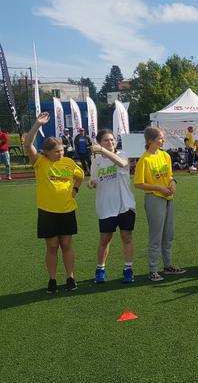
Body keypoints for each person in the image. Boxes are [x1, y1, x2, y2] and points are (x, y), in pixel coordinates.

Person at [25, 112, 84, 293]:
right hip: (47, 211)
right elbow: (27, 143)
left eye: (62, 150)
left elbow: (79, 176)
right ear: (47, 152)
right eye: (56, 151)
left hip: (67, 210)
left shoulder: (68, 162)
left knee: (66, 245)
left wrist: (75, 190)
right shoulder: (40, 161)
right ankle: (52, 280)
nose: (61, 153)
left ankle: (70, 277)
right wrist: (37, 124)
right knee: (52, 246)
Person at [133, 127, 186, 281]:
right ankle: (153, 269)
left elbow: (169, 175)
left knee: (169, 234)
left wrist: (172, 183)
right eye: (160, 138)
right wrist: (159, 188)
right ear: (150, 140)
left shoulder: (165, 155)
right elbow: (138, 183)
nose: (163, 141)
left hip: (168, 197)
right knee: (156, 235)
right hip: (154, 198)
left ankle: (168, 265)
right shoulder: (144, 159)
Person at [88, 129, 136, 284]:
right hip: (106, 206)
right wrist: (92, 183)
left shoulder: (121, 155)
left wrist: (102, 150)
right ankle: (100, 269)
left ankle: (128, 269)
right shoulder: (96, 162)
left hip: (125, 205)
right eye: (106, 141)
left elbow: (121, 163)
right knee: (105, 239)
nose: (110, 143)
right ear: (99, 142)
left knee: (126, 236)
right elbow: (94, 179)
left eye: (112, 140)